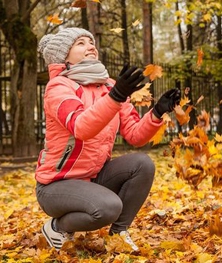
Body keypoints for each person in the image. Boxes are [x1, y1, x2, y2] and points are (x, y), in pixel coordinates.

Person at [35, 27, 180, 252]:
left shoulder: (110, 86)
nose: (90, 46)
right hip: (56, 185)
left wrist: (157, 113)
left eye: (91, 42)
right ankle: (57, 226)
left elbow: (134, 135)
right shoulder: (59, 87)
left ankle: (118, 234)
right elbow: (81, 126)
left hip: (93, 178)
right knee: (107, 208)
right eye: (80, 43)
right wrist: (116, 97)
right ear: (63, 56)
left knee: (142, 164)